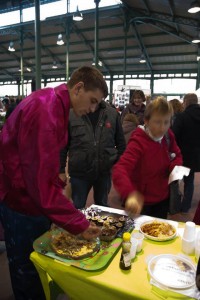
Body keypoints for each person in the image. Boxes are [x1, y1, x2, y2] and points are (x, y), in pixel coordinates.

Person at [0, 66, 107, 300]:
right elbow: (38, 183)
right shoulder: (46, 112)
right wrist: (77, 221)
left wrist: (59, 192)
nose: (92, 109)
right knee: (27, 269)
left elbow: (43, 170)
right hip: (20, 203)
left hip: (28, 197)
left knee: (35, 267)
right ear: (78, 88)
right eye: (92, 101)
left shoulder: (54, 105)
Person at [112, 96, 182, 219]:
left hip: (162, 199)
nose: (162, 128)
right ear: (146, 121)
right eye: (157, 122)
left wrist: (175, 167)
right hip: (142, 202)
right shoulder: (138, 141)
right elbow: (120, 169)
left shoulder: (168, 136)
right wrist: (129, 193)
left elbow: (176, 154)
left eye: (166, 122)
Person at [60, 100, 126, 209]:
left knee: (103, 207)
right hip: (79, 172)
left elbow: (121, 144)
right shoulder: (71, 114)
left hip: (104, 171)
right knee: (77, 207)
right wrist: (61, 170)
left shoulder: (112, 113)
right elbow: (63, 145)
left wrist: (118, 166)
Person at [172, 93, 200, 214]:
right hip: (197, 156)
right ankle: (186, 207)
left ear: (186, 102)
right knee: (190, 181)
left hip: (182, 155)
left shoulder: (182, 116)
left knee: (175, 180)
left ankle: (174, 205)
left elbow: (174, 135)